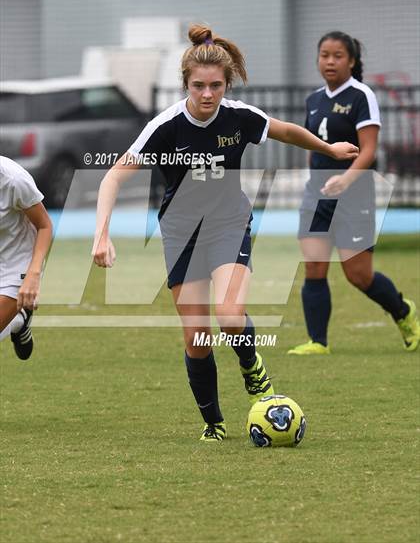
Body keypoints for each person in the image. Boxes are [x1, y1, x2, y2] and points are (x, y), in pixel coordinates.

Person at [92, 24, 359, 442]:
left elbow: (285, 130)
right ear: (186, 85)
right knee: (197, 338)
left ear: (226, 84)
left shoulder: (239, 117)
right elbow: (112, 178)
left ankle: (252, 367)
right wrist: (101, 234)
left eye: (216, 85)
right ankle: (213, 423)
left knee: (231, 316)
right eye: (198, 86)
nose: (207, 94)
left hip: (228, 224)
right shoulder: (165, 126)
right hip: (181, 234)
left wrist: (328, 150)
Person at [287, 31, 420, 356]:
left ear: (352, 60)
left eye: (338, 56)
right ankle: (318, 343)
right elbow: (311, 146)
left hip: (354, 195)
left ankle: (404, 313)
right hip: (317, 195)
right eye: (324, 55)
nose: (330, 61)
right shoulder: (314, 99)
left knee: (358, 275)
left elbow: (369, 151)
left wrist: (344, 181)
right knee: (314, 266)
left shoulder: (361, 96)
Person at [0, 156, 52, 359]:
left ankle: (18, 313)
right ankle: (19, 320)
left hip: (19, 264)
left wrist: (33, 274)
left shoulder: (14, 180)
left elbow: (45, 226)